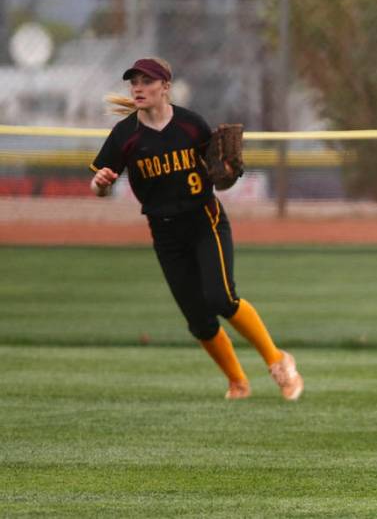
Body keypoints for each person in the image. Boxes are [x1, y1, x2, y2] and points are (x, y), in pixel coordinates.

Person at [89, 57, 304, 401]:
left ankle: (278, 361)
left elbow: (222, 179)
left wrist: (230, 171)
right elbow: (100, 188)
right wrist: (100, 184)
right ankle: (237, 382)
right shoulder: (125, 135)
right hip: (164, 233)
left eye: (146, 81)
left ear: (165, 87)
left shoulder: (190, 126)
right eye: (134, 82)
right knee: (198, 319)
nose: (138, 88)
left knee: (221, 298)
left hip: (206, 222)